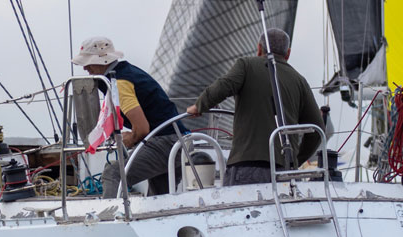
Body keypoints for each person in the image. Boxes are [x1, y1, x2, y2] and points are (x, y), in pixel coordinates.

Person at [186, 28, 323, 185]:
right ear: (288, 53)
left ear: (259, 48)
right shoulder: (300, 81)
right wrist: (294, 160)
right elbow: (317, 129)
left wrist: (199, 106)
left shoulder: (246, 65)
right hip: (284, 171)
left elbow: (224, 85)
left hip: (246, 166)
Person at [73, 36, 184, 198]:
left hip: (165, 143)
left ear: (101, 61)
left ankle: (110, 218)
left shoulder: (120, 83)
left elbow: (142, 129)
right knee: (160, 197)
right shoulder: (126, 73)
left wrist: (130, 138)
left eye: (88, 63)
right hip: (175, 140)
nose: (85, 69)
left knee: (113, 173)